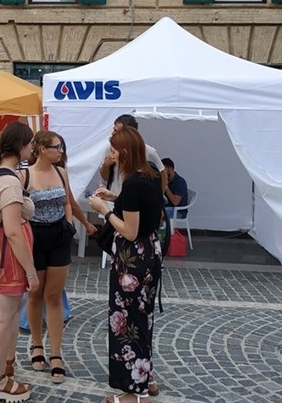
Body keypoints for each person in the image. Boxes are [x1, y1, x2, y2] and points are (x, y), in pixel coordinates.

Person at [89, 127, 164, 402]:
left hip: (132, 259)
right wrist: (114, 199)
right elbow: (141, 211)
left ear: (122, 153)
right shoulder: (151, 174)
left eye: (112, 151)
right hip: (150, 254)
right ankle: (149, 379)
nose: (109, 156)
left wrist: (104, 210)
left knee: (128, 323)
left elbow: (129, 230)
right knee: (143, 318)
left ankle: (136, 393)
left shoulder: (132, 184)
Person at [0, 121, 38, 402]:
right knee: (4, 318)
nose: (32, 149)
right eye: (29, 145)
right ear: (20, 147)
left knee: (10, 315)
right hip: (8, 254)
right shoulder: (8, 181)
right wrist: (31, 271)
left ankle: (5, 365)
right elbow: (14, 231)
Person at [19, 130, 74, 383]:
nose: (60, 151)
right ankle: (36, 343)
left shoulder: (61, 172)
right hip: (35, 237)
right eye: (56, 147)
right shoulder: (24, 175)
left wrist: (70, 225)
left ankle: (56, 353)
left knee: (54, 295)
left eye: (61, 147)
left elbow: (67, 203)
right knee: (35, 293)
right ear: (42, 148)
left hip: (60, 236)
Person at [99, 114, 166, 197]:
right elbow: (105, 177)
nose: (112, 133)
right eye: (113, 129)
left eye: (116, 131)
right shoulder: (109, 148)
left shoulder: (148, 152)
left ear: (129, 134)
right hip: (114, 201)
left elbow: (162, 175)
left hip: (137, 204)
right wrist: (106, 165)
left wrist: (157, 198)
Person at [161, 157, 188, 224]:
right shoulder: (166, 180)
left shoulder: (180, 182)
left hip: (178, 211)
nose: (162, 173)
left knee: (159, 213)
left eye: (164, 170)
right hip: (167, 207)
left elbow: (175, 202)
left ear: (171, 169)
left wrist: (166, 187)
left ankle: (159, 231)